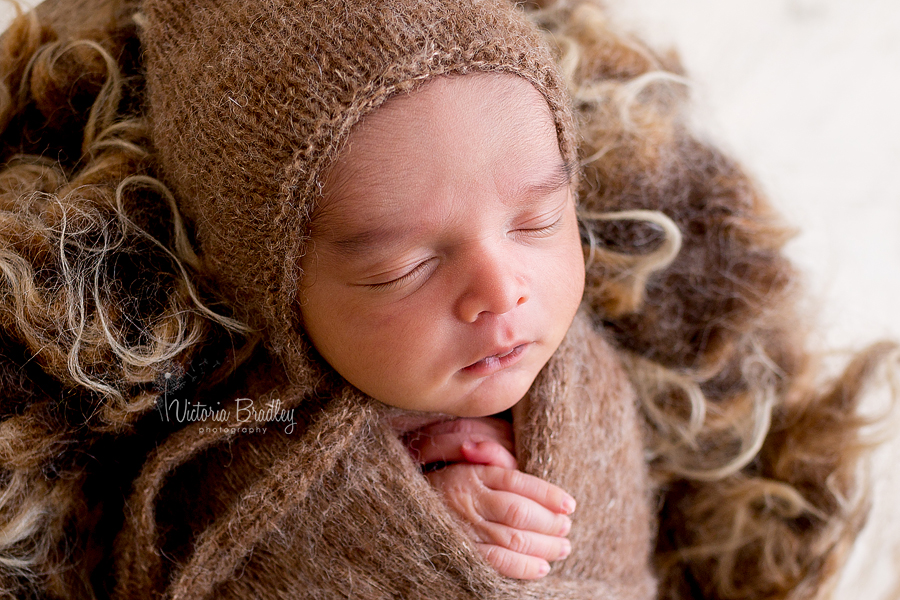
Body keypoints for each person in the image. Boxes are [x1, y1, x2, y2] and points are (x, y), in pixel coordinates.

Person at [0, 0, 891, 599]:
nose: (503, 290)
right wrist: (406, 505)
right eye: (401, 270)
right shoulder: (232, 411)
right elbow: (193, 527)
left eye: (539, 222)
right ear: (268, 289)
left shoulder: (595, 365)